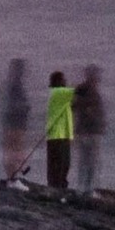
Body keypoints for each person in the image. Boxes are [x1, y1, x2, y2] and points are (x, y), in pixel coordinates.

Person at [74, 63, 107, 198]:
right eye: (95, 76)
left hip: (83, 132)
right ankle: (88, 189)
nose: (97, 79)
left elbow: (74, 107)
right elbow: (91, 113)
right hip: (90, 132)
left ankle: (82, 188)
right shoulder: (90, 92)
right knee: (91, 162)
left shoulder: (80, 91)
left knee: (84, 161)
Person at [43, 67, 76, 197]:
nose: (65, 81)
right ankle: (57, 188)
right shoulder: (58, 93)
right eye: (63, 80)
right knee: (60, 163)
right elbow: (78, 91)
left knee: (62, 163)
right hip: (58, 135)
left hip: (61, 135)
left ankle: (58, 187)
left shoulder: (59, 95)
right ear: (58, 82)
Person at [0, 57, 31, 188]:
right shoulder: (15, 86)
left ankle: (12, 178)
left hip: (10, 124)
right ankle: (13, 179)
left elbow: (4, 104)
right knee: (15, 152)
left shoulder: (7, 85)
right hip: (16, 125)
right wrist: (25, 107)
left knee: (11, 152)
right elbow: (14, 105)